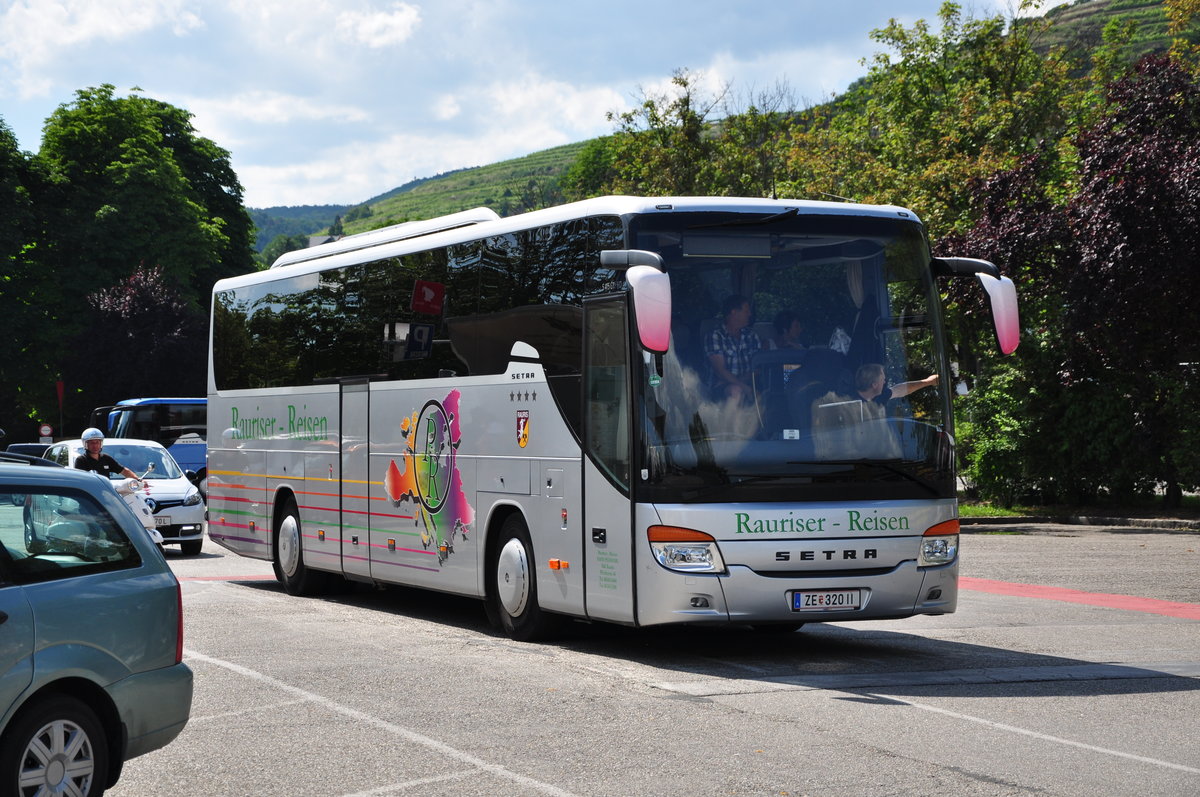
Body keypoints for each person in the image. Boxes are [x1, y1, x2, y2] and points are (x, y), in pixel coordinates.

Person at [705, 294, 762, 402]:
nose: (750, 314)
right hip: (721, 389)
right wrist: (745, 388)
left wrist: (740, 382)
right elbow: (720, 371)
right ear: (733, 312)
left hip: (747, 384)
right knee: (735, 391)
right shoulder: (715, 336)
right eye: (746, 311)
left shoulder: (752, 336)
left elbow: (759, 368)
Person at [75, 428, 140, 479]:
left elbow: (123, 471)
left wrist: (138, 480)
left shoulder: (106, 458)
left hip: (106, 492)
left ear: (101, 443)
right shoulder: (81, 460)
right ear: (85, 444)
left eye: (97, 442)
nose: (95, 446)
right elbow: (80, 480)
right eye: (92, 443)